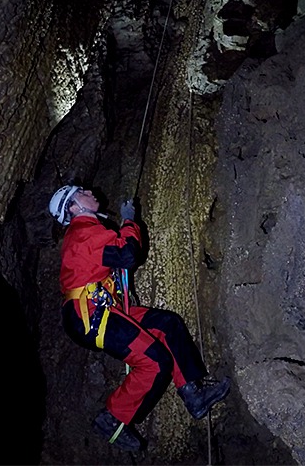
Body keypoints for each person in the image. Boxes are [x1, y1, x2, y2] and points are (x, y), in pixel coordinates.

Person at [49, 184, 231, 452]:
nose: (91, 193)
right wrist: (129, 221)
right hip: (89, 315)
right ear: (73, 208)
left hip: (103, 308)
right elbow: (127, 254)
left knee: (167, 324)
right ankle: (112, 419)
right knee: (155, 362)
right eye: (83, 193)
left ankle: (194, 395)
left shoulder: (87, 232)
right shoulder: (81, 232)